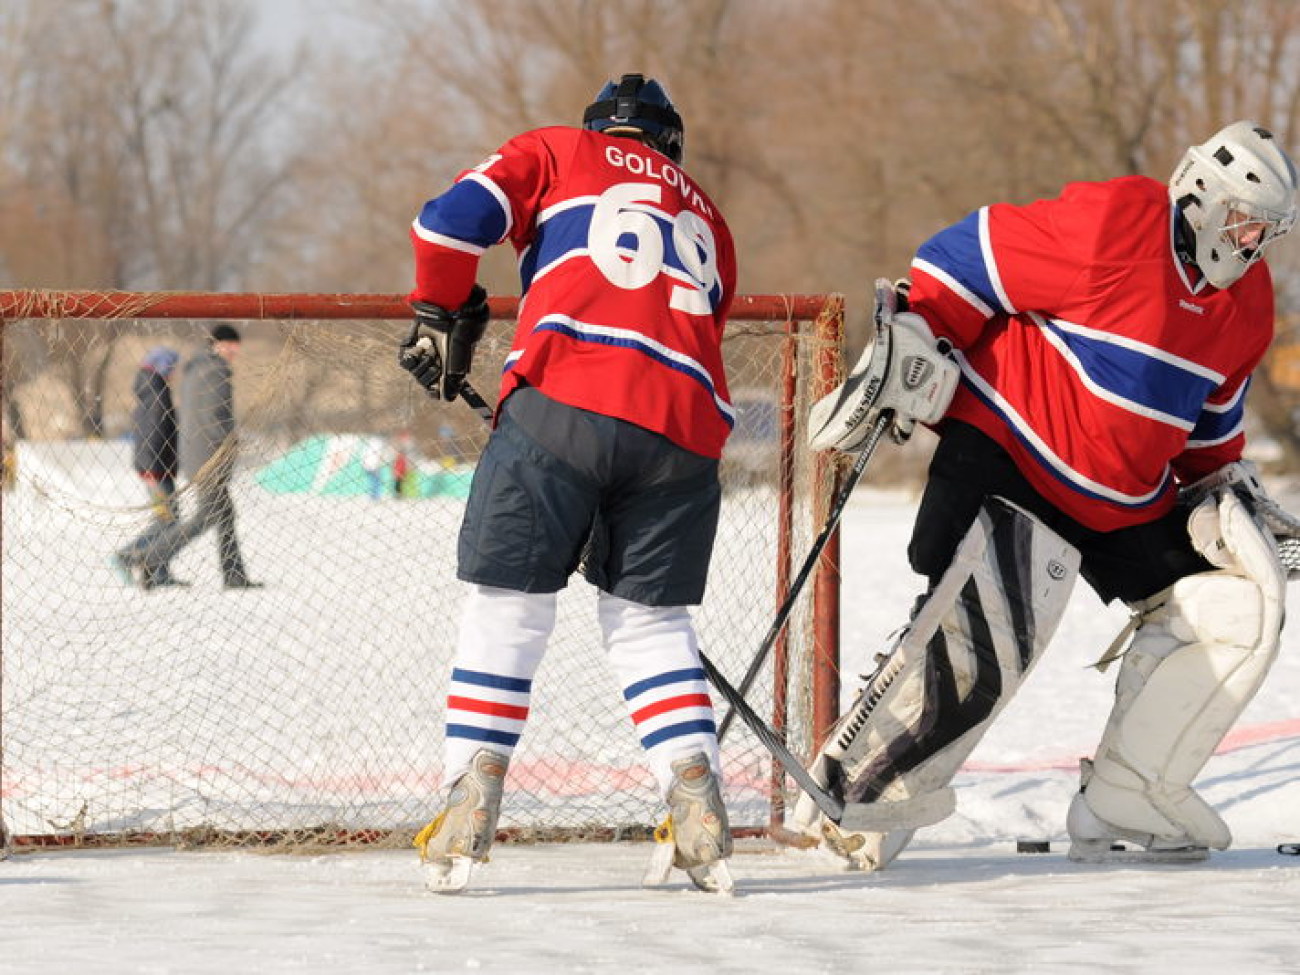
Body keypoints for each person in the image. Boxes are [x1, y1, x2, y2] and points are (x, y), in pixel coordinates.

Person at [796, 120, 1299, 869]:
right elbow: (965, 258)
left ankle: (1130, 793)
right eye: (1243, 220)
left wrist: (1224, 495)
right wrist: (919, 333)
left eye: (1268, 230)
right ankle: (852, 802)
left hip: (1124, 497)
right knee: (991, 636)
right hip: (1014, 456)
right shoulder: (1117, 222)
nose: (1253, 241)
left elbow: (1211, 428)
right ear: (1199, 195)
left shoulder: (1248, 303)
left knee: (1237, 607)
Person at [398, 73, 738, 893]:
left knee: (508, 604)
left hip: (565, 399)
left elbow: (445, 227)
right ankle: (693, 781)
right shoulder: (711, 220)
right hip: (686, 427)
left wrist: (442, 312)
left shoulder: (556, 149)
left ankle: (470, 792)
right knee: (652, 623)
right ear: (671, 148)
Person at [133, 324, 261, 590]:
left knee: (224, 513)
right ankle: (150, 558)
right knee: (205, 516)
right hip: (209, 458)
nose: (234, 352)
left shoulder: (195, 369)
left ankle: (234, 574)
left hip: (195, 455)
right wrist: (231, 443)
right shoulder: (216, 371)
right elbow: (214, 417)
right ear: (218, 344)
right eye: (231, 346)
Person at [111, 345, 187, 589]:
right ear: (163, 366)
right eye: (172, 367)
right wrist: (151, 472)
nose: (175, 373)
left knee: (168, 518)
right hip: (156, 470)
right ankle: (128, 555)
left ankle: (158, 573)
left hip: (159, 467)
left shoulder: (153, 390)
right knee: (168, 520)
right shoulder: (156, 393)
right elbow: (152, 434)